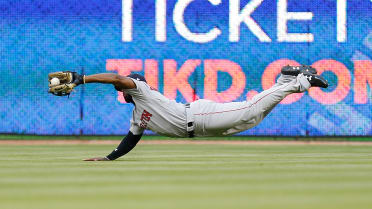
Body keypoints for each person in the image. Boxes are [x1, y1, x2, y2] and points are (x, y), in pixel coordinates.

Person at [49, 65, 328, 161]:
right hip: (202, 127)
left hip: (198, 117)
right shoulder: (138, 114)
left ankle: (299, 82)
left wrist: (82, 79)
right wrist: (109, 158)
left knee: (250, 109)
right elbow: (131, 140)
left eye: (125, 86)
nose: (122, 90)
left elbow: (117, 79)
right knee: (253, 117)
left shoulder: (140, 90)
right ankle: (283, 81)